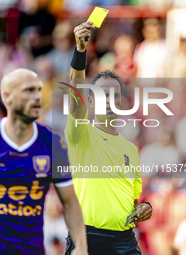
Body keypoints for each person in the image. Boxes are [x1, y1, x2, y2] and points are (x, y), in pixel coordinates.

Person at [0, 68, 87, 255]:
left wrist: (81, 246)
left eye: (38, 90)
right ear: (7, 97)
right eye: (29, 90)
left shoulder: (53, 143)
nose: (38, 97)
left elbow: (69, 201)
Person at [64, 22, 153, 255]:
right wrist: (80, 50)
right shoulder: (81, 132)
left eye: (115, 95)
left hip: (125, 241)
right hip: (87, 237)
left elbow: (135, 202)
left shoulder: (131, 149)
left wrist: (145, 207)